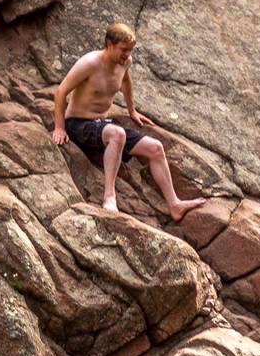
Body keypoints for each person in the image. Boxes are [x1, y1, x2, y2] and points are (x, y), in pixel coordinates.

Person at [52, 22, 210, 221]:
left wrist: (132, 110)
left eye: (130, 50)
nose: (127, 54)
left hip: (102, 124)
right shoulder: (90, 63)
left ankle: (175, 205)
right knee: (117, 134)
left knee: (155, 148)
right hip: (78, 124)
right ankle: (109, 197)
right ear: (109, 45)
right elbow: (61, 92)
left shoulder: (124, 62)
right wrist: (59, 127)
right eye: (123, 50)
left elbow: (126, 81)